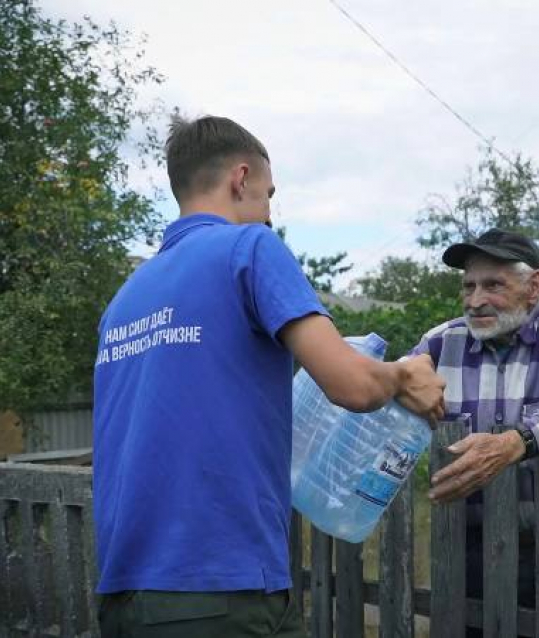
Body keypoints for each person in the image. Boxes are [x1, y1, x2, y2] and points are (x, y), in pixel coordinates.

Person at [92, 115, 446, 638]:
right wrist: (403, 375)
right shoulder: (249, 247)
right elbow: (352, 385)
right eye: (268, 194)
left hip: (125, 594)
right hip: (220, 588)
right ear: (241, 178)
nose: (269, 213)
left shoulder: (126, 297)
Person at [410, 229, 539, 635]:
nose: (475, 300)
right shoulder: (442, 341)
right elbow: (392, 388)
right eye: (468, 286)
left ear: (533, 286)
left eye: (493, 285)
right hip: (471, 549)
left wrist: (513, 443)